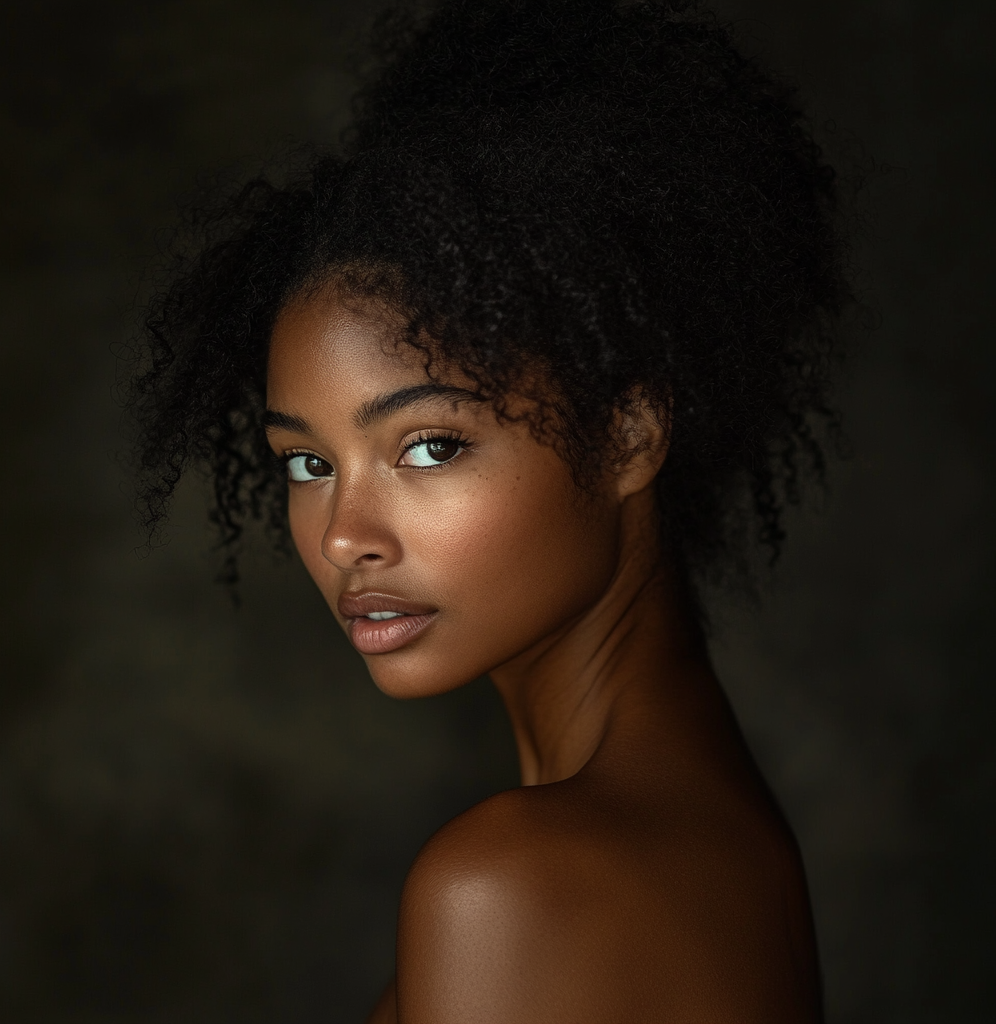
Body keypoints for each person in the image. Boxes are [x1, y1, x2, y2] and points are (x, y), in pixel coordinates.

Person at [132, 0, 850, 1019]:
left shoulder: (516, 883)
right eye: (305, 462)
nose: (343, 536)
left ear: (629, 435)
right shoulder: (706, 834)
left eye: (428, 446)